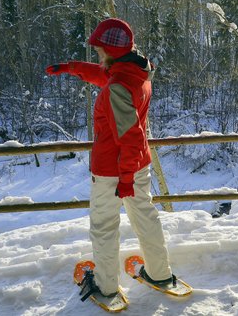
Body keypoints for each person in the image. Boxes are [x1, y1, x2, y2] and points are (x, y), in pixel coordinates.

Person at [46, 18, 174, 300]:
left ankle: (105, 286)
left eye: (100, 51)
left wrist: (124, 179)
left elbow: (130, 136)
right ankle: (160, 273)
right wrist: (72, 68)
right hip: (137, 164)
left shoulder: (118, 87)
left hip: (114, 170)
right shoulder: (137, 72)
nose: (98, 55)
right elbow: (108, 75)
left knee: (104, 226)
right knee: (145, 218)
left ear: (111, 52)